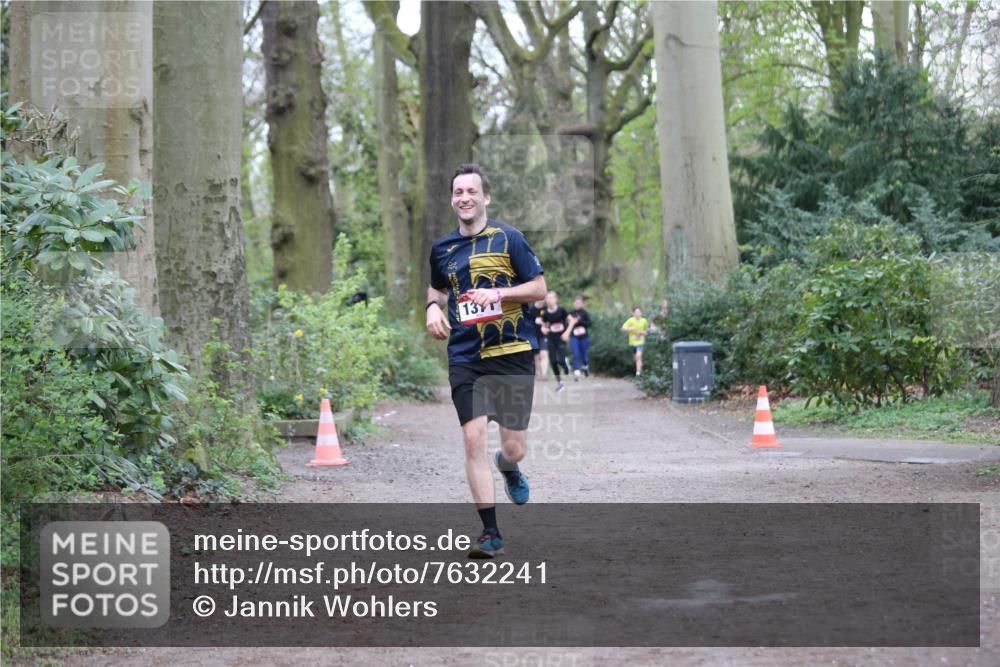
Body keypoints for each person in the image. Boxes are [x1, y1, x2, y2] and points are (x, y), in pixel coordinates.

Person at [426, 163, 547, 559]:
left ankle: (509, 467)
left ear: (485, 197)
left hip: (511, 353)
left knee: (514, 448)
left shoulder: (509, 239)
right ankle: (489, 532)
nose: (464, 198)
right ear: (452, 199)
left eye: (471, 191)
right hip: (465, 356)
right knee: (472, 438)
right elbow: (437, 287)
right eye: (458, 192)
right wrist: (431, 307)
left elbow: (540, 289)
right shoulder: (442, 249)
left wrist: (499, 295)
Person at [541, 290, 575, 392]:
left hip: (561, 338)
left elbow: (572, 321)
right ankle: (560, 382)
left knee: (560, 360)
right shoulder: (545, 313)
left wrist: (567, 333)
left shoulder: (562, 310)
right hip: (551, 338)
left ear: (556, 299)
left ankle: (565, 364)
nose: (549, 300)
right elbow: (543, 326)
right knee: (553, 361)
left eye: (551, 298)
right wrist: (544, 330)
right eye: (548, 298)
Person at [621, 306, 650, 377]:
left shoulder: (644, 321)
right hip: (632, 342)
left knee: (638, 356)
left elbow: (647, 330)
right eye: (636, 312)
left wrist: (644, 333)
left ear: (641, 313)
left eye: (639, 312)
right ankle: (640, 370)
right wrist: (630, 328)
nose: (638, 313)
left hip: (640, 341)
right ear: (633, 313)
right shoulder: (630, 320)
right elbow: (623, 328)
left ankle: (638, 373)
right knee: (636, 358)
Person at [569, 295, 592, 380]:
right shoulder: (571, 313)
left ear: (582, 304)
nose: (577, 304)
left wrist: (579, 321)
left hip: (584, 337)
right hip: (574, 337)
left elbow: (590, 324)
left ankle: (585, 366)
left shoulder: (585, 313)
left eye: (579, 303)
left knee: (585, 355)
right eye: (576, 303)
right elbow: (567, 324)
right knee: (575, 354)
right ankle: (576, 372)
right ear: (573, 304)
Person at [526, 299, 549, 379]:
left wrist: (546, 326)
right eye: (541, 298)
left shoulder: (546, 309)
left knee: (544, 354)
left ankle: (544, 374)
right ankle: (537, 372)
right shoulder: (530, 310)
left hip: (544, 336)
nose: (542, 300)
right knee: (536, 356)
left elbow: (550, 321)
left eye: (543, 298)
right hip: (533, 336)